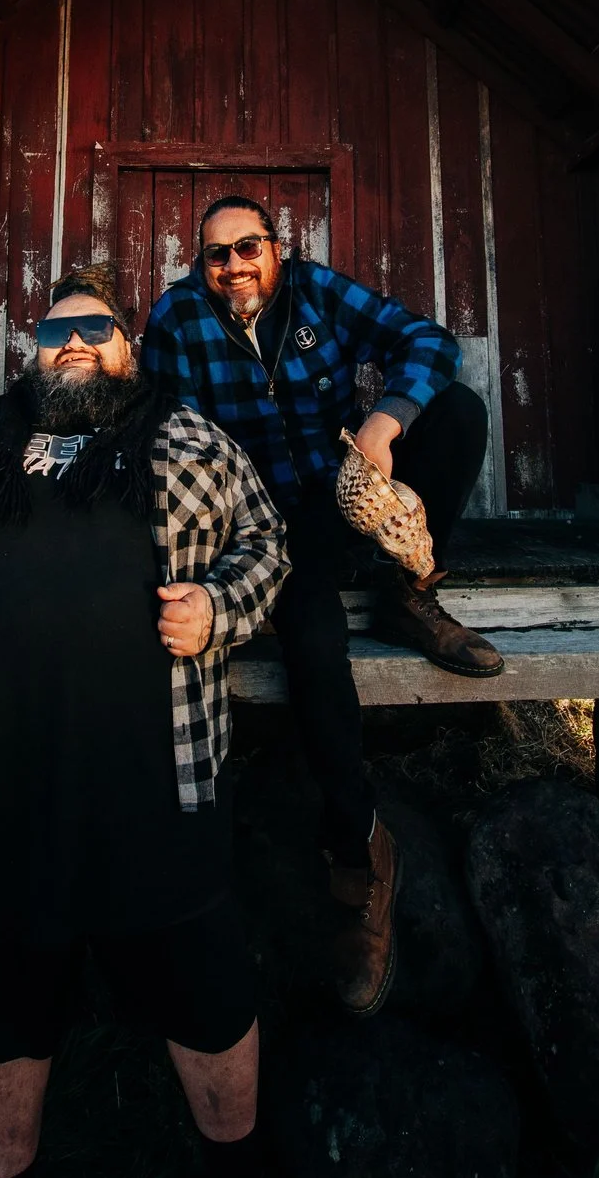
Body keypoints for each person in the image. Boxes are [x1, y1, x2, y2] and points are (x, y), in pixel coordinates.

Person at [0, 266, 289, 1178]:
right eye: (53, 330)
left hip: (159, 791)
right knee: (0, 1018)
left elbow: (268, 546)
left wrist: (217, 605)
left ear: (129, 348)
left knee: (206, 998)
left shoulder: (194, 443)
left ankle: (240, 1170)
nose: (72, 340)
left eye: (95, 327)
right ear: (30, 352)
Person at [141, 197, 493, 1016]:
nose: (234, 265)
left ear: (276, 247)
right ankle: (361, 851)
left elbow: (429, 341)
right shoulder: (177, 319)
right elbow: (159, 431)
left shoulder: (316, 290)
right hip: (262, 524)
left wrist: (384, 422)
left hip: (343, 492)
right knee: (311, 641)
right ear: (201, 262)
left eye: (249, 247)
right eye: (217, 254)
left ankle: (410, 592)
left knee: (458, 410)